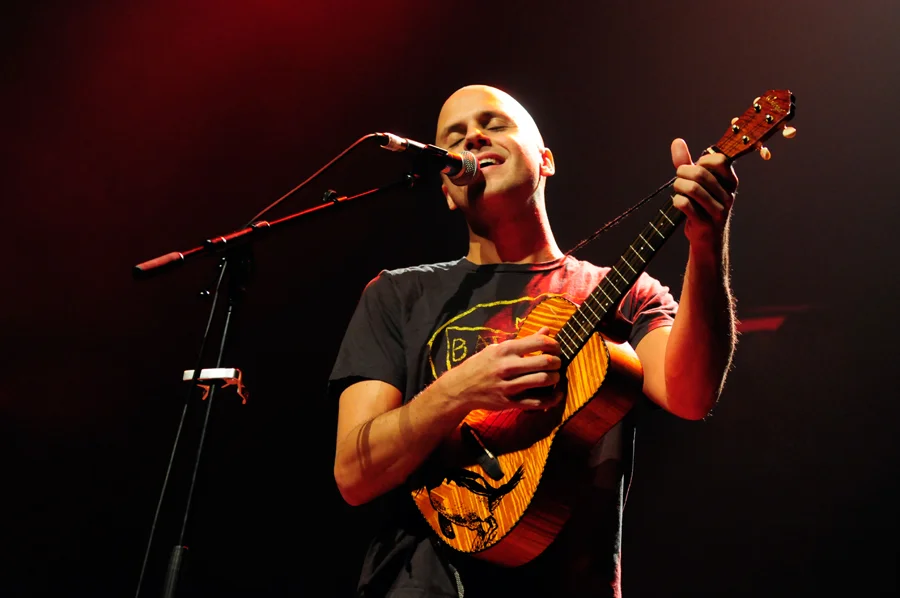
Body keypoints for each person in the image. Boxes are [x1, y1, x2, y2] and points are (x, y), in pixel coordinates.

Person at [329, 84, 738, 597]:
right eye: (455, 137)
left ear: (545, 160)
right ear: (445, 188)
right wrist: (459, 390)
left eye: (493, 124)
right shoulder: (396, 294)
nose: (473, 137)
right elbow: (354, 473)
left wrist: (706, 246)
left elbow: (691, 395)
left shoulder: (626, 294)